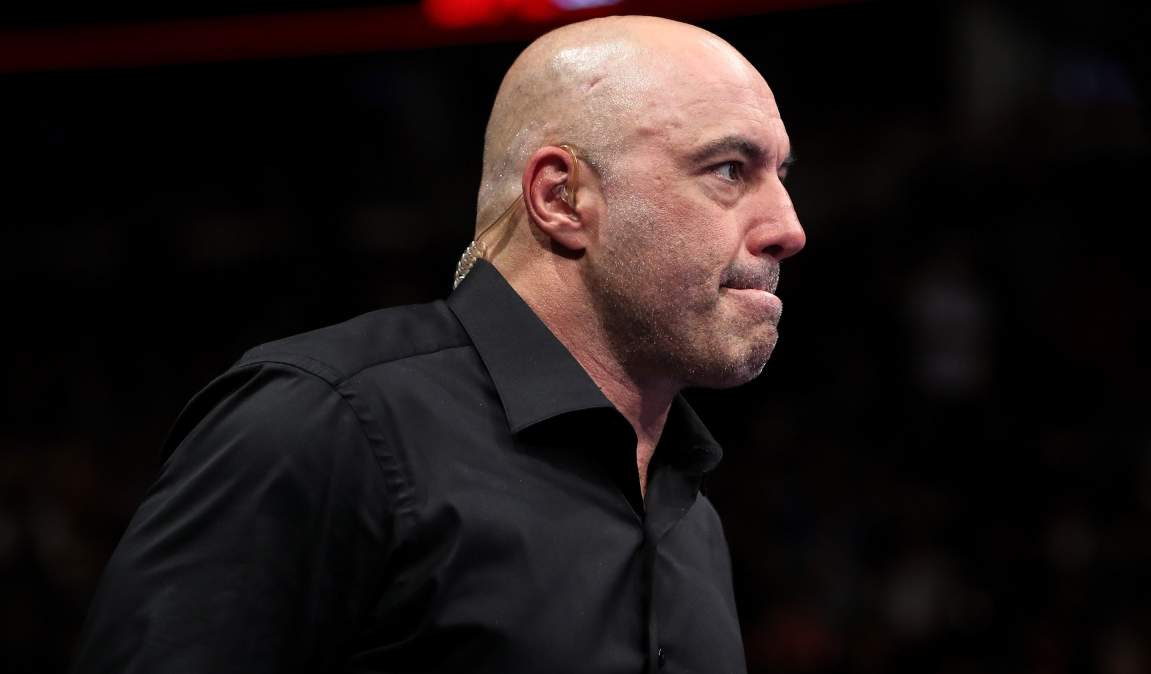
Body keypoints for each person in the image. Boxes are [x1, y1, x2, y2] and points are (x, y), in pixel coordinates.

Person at [73, 15, 805, 674]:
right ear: (561, 197)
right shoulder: (324, 427)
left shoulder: (691, 518)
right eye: (728, 170)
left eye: (780, 174)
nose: (789, 228)